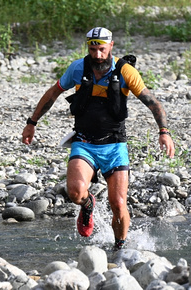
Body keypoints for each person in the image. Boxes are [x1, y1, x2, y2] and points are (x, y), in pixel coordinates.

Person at [21, 27, 175, 249]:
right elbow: (53, 93)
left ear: (111, 46)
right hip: (84, 143)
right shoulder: (77, 68)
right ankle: (88, 204)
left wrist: (164, 132)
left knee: (118, 203)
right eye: (92, 49)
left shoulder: (125, 71)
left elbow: (153, 102)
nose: (97, 55)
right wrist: (31, 123)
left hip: (115, 145)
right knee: (75, 193)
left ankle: (119, 248)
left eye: (102, 49)